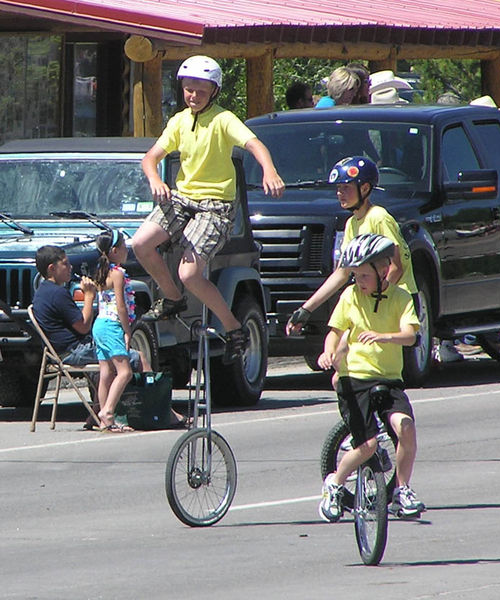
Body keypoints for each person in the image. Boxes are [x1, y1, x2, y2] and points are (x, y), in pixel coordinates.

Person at [132, 55, 284, 365]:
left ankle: (233, 328)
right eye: (188, 89)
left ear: (214, 91)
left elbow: (255, 145)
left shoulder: (223, 119)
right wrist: (155, 180)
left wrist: (269, 170)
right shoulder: (178, 121)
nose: (193, 96)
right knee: (140, 244)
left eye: (201, 90)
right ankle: (171, 297)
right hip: (182, 199)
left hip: (215, 206)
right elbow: (149, 158)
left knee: (189, 273)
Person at [316, 233, 425, 522]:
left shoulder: (400, 298)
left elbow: (411, 335)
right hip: (355, 379)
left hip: (389, 378)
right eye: (355, 275)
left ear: (384, 271)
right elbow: (335, 332)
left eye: (364, 275)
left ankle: (402, 490)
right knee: (368, 445)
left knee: (406, 427)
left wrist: (384, 336)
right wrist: (328, 353)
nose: (358, 281)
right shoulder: (350, 297)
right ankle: (335, 484)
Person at [32, 244, 187, 429]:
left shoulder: (42, 292)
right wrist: (89, 296)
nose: (70, 267)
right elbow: (83, 326)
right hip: (73, 351)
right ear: (52, 268)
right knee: (139, 358)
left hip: (58, 350)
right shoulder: (57, 293)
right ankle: (163, 412)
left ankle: (98, 415)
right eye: (65, 264)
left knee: (106, 369)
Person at [286, 156, 418, 343]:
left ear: (364, 189)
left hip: (395, 300)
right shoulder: (351, 224)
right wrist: (306, 309)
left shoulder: (378, 217)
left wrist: (377, 300)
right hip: (373, 297)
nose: (340, 193)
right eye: (338, 189)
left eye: (346, 188)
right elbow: (342, 273)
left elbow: (396, 267)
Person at [91, 230, 141, 432]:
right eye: (123, 246)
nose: (126, 249)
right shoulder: (117, 274)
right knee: (125, 372)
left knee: (106, 372)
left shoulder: (101, 272)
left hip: (100, 324)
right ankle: (108, 411)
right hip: (112, 326)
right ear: (114, 250)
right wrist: (127, 330)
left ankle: (104, 419)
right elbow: (121, 306)